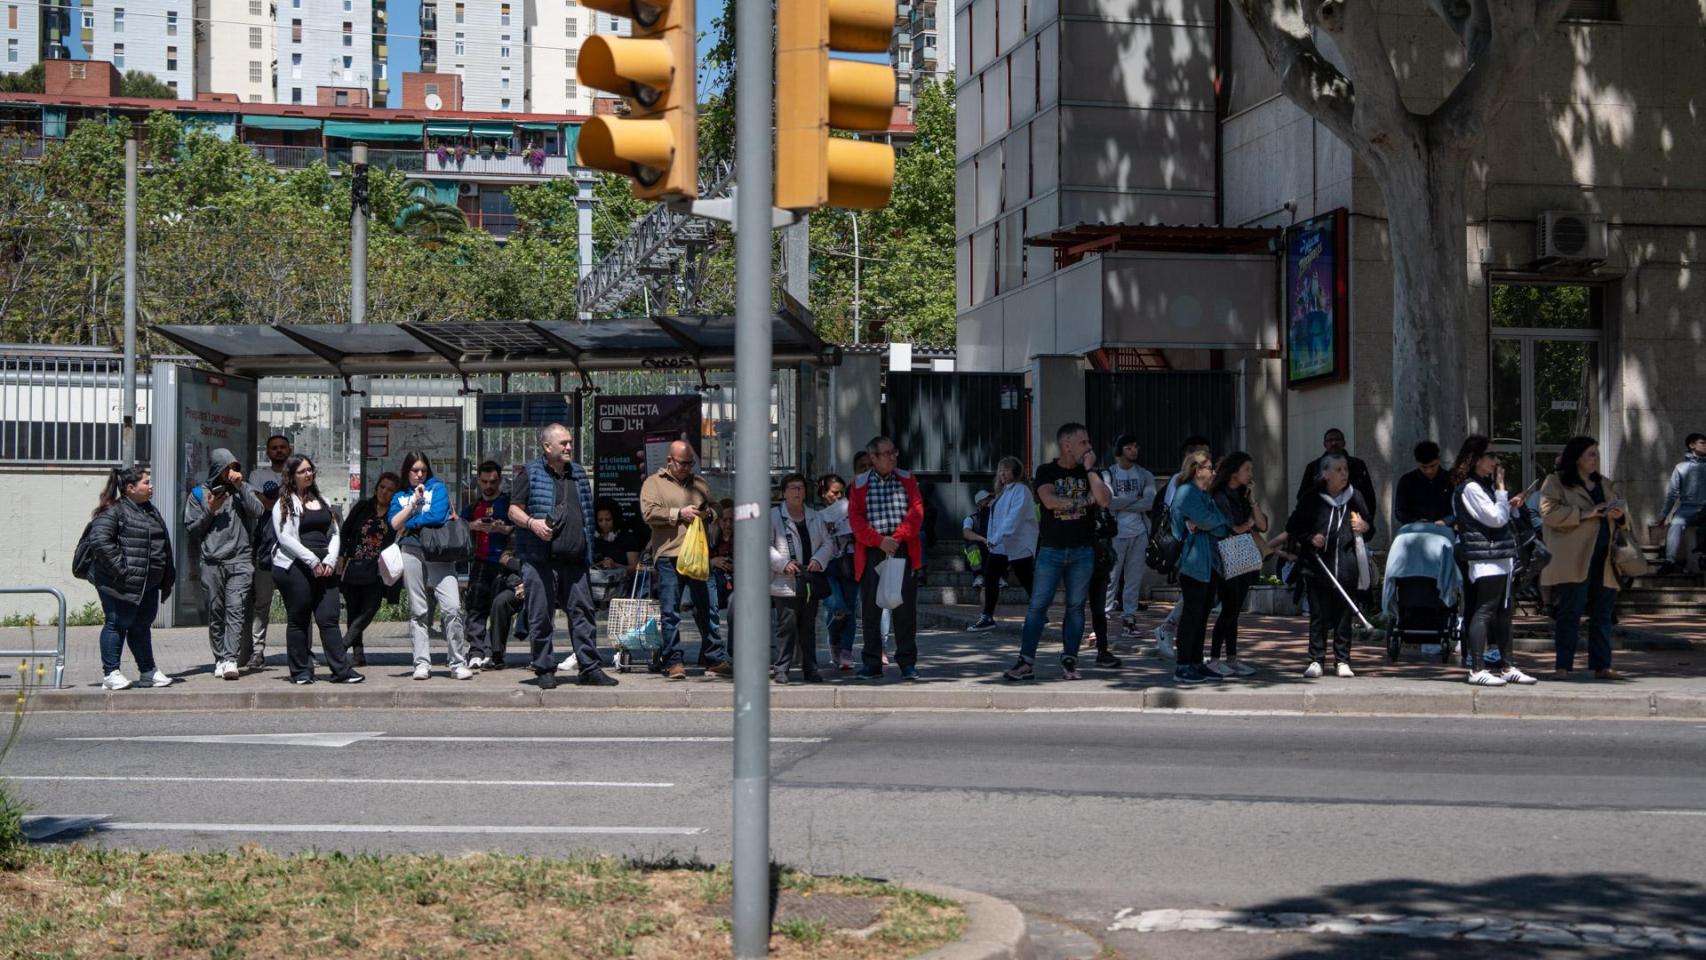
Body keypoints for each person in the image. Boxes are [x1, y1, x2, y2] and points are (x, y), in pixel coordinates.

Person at [508, 423, 615, 688]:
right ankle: (544, 668)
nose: (569, 447)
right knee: (541, 617)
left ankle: (590, 667)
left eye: (570, 442)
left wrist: (587, 549)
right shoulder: (530, 473)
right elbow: (513, 511)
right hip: (540, 560)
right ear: (547, 447)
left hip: (576, 560)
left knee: (584, 615)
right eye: (563, 443)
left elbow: (587, 515)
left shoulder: (577, 473)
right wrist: (533, 523)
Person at [1002, 423, 1110, 682]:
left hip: (1083, 550)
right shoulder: (1046, 471)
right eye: (1083, 442)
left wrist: (1091, 469)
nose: (1089, 447)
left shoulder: (1091, 473)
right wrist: (1084, 502)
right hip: (1051, 550)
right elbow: (1049, 501)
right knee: (1038, 606)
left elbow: (1104, 499)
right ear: (1067, 445)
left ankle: (1070, 658)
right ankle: (1026, 661)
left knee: (1075, 607)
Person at [1451, 436, 1539, 687]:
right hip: (1485, 557)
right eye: (1490, 456)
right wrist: (1502, 492)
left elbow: (1498, 515)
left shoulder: (1483, 486)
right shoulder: (1470, 487)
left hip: (1499, 555)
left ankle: (1507, 665)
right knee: (1485, 609)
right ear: (1476, 459)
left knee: (1502, 612)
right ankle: (1477, 667)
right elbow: (1494, 519)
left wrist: (1510, 504)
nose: (1495, 461)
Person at [640, 439, 729, 681]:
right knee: (671, 611)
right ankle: (673, 661)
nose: (687, 467)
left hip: (699, 555)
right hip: (669, 555)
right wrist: (680, 513)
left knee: (709, 608)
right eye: (683, 463)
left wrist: (707, 513)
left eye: (691, 463)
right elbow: (648, 513)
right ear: (670, 460)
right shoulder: (653, 483)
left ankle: (714, 658)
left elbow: (717, 508)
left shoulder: (699, 483)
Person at [1541, 436, 1628, 680]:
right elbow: (1548, 513)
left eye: (1597, 454)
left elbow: (1625, 516)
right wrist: (1585, 513)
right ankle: (1562, 666)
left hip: (1604, 558)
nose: (1595, 459)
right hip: (1574, 558)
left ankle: (1602, 665)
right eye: (1591, 454)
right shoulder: (1556, 482)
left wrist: (1620, 515)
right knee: (1570, 611)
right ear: (1577, 457)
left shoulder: (1605, 484)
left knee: (1603, 613)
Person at [272, 454, 361, 685]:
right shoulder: (284, 503)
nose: (308, 474)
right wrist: (312, 561)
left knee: (329, 618)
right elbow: (285, 538)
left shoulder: (323, 500)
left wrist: (330, 560)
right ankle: (301, 672)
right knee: (299, 618)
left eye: (310, 470)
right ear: (291, 476)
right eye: (302, 471)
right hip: (296, 566)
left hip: (325, 568)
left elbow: (334, 533)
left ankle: (342, 670)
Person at [1286, 451, 1375, 678]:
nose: (1344, 474)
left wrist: (1365, 527)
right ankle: (1316, 659)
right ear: (1325, 473)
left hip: (1347, 566)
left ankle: (1342, 660)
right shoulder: (1311, 498)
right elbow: (1293, 527)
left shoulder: (1355, 497)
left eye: (1345, 469)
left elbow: (1370, 529)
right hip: (1318, 568)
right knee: (1319, 615)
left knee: (1344, 615)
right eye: (1338, 470)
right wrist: (1310, 538)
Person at [88, 466, 176, 690]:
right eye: (146, 482)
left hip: (148, 584)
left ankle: (148, 671)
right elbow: (99, 541)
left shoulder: (149, 510)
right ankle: (111, 673)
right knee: (117, 623)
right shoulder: (114, 511)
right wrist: (122, 571)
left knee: (141, 626)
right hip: (121, 583)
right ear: (130, 488)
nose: (151, 486)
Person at [182, 448, 265, 681]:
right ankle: (219, 658)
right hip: (212, 561)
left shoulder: (241, 490)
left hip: (240, 560)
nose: (231, 472)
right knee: (216, 611)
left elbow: (258, 511)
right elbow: (192, 530)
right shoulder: (199, 494)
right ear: (217, 469)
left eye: (234, 467)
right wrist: (210, 510)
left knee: (236, 610)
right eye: (227, 468)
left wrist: (241, 487)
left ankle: (230, 659)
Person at [389, 450, 471, 681]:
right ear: (407, 472)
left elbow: (437, 516)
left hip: (439, 552)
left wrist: (411, 522)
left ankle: (457, 661)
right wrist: (413, 502)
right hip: (411, 550)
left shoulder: (438, 488)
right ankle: (421, 662)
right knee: (418, 610)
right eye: (415, 470)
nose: (419, 475)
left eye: (423, 470)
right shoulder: (400, 496)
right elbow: (394, 523)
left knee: (452, 606)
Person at [850, 435, 927, 681]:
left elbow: (916, 512)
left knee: (904, 610)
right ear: (873, 457)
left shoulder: (907, 478)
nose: (893, 457)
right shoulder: (859, 484)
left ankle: (907, 662)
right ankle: (872, 662)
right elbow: (856, 519)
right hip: (872, 549)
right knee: (871, 609)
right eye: (887, 453)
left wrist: (897, 537)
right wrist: (878, 540)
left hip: (902, 547)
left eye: (894, 452)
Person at [1168, 451, 1232, 684]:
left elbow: (1222, 524)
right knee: (1192, 615)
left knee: (1202, 615)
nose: (1213, 471)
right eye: (1209, 467)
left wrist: (1207, 524)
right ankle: (1183, 665)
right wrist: (1207, 524)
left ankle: (1195, 662)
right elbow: (1209, 521)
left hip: (1209, 563)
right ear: (1197, 469)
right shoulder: (1187, 492)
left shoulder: (1204, 494)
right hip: (1193, 564)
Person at [769, 473, 836, 683]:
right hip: (786, 581)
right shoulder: (773, 516)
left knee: (808, 626)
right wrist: (782, 564)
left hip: (809, 579)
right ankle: (782, 668)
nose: (798, 492)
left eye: (801, 488)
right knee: (786, 625)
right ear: (784, 493)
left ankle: (811, 668)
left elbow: (828, 543)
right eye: (793, 488)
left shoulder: (815, 516)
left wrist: (818, 559)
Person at [1205, 452, 1267, 678]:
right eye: (1247, 469)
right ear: (1234, 472)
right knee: (1229, 610)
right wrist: (1249, 523)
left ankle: (1231, 658)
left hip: (1242, 558)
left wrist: (1252, 501)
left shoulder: (1243, 495)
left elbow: (1262, 524)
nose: (1250, 474)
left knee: (1235, 611)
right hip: (1225, 558)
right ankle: (1214, 658)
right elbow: (1234, 528)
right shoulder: (1220, 496)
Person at [1154, 436, 1212, 657]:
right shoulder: (1180, 483)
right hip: (1188, 548)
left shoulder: (1202, 485)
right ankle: (1171, 634)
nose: (1208, 460)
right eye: (1202, 455)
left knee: (1200, 598)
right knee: (1193, 598)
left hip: (1201, 548)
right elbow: (1175, 512)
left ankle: (1189, 650)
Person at [241, 432, 293, 672]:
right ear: (267, 452)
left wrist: (270, 501)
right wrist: (282, 501)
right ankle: (258, 650)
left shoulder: (297, 472)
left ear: (289, 450)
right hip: (265, 546)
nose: (279, 451)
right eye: (274, 447)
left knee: (298, 602)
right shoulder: (257, 475)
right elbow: (260, 505)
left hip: (293, 548)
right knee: (262, 602)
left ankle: (300, 649)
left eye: (283, 447)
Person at [338, 471, 400, 668]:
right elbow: (346, 530)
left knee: (370, 609)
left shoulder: (396, 513)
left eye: (390, 490)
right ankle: (357, 653)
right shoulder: (363, 507)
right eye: (382, 487)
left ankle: (342, 645)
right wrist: (341, 556)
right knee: (353, 610)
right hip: (356, 565)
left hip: (379, 569)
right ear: (376, 488)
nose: (385, 492)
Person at [969, 457, 1037, 631]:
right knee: (991, 577)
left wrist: (995, 538)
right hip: (1002, 545)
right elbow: (997, 520)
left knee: (1027, 580)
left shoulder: (1020, 490)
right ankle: (987, 616)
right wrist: (994, 539)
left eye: (1006, 470)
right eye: (1000, 470)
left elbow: (1013, 519)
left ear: (1016, 472)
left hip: (1018, 544)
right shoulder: (1003, 492)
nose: (1002, 474)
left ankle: (1040, 613)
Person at [1103, 435, 1157, 633]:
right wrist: (1136, 500)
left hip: (1139, 532)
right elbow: (1108, 501)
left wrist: (1123, 503)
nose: (1134, 450)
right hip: (1117, 533)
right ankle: (1105, 617)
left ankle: (1129, 618)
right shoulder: (1109, 473)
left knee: (1134, 578)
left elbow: (1150, 502)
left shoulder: (1145, 475)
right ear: (1120, 450)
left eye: (1136, 446)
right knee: (1111, 577)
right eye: (1129, 447)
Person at [464, 461, 513, 670]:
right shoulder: (473, 507)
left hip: (504, 563)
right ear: (478, 481)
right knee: (475, 607)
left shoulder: (509, 505)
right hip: (480, 562)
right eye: (484, 482)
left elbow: (518, 527)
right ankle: (476, 651)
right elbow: (458, 526)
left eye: (492, 482)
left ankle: (494, 652)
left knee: (498, 608)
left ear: (500, 480)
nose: (488, 486)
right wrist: (474, 526)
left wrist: (503, 529)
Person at [816, 476, 858, 671]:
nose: (838, 496)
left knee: (849, 607)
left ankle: (847, 650)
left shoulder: (850, 509)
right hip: (829, 564)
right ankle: (834, 640)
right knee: (836, 605)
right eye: (834, 492)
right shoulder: (817, 516)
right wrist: (826, 529)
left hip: (850, 561)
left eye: (841, 493)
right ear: (824, 494)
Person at [1295, 428, 1378, 520]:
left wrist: (1367, 522)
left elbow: (1368, 496)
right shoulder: (1313, 467)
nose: (1334, 443)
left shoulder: (1357, 465)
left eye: (1337, 440)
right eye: (1330, 440)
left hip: (1352, 520)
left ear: (1344, 443)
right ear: (1325, 444)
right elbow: (1302, 496)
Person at [1659, 432, 1706, 573]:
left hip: (1705, 509)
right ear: (1692, 445)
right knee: (1675, 524)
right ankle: (1670, 561)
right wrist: (1663, 514)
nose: (1705, 446)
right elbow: (1672, 493)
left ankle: (1702, 559)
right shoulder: (1681, 467)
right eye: (1702, 443)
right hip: (1686, 509)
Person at [591, 497, 642, 606]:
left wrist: (616, 565)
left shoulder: (627, 538)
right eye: (600, 520)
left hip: (620, 591)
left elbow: (636, 568)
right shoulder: (593, 539)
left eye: (608, 520)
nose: (604, 524)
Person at [1394, 441, 1455, 526]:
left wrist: (1445, 521)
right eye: (1424, 467)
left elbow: (1459, 509)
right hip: (1415, 530)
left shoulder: (1450, 480)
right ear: (1418, 463)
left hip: (1445, 530)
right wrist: (1415, 521)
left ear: (1439, 460)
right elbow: (1400, 511)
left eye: (1433, 466)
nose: (1429, 471)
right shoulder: (1407, 481)